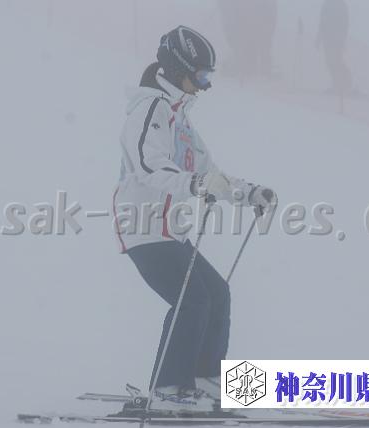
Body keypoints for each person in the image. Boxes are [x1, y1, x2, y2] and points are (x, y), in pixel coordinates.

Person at [112, 26, 276, 413]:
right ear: (178, 68)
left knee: (216, 294)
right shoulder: (149, 109)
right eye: (200, 76)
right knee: (192, 300)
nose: (205, 85)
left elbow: (209, 173)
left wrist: (248, 192)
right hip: (144, 227)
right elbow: (149, 165)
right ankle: (168, 389)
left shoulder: (181, 120)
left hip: (171, 231)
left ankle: (203, 383)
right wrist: (197, 184)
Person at [316, 0, 353, 96]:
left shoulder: (340, 4)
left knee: (336, 61)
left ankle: (346, 85)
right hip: (327, 39)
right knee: (329, 62)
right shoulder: (327, 4)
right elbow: (322, 22)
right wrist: (318, 38)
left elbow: (345, 23)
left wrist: (342, 39)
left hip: (337, 39)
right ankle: (338, 85)